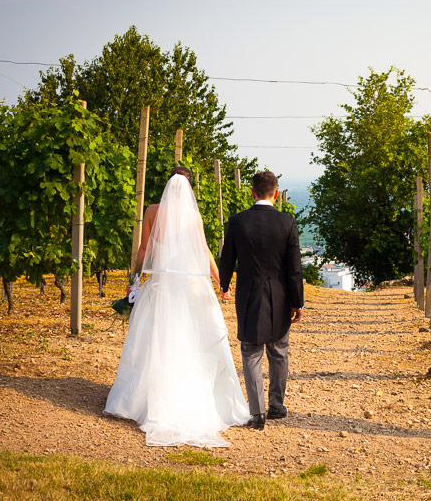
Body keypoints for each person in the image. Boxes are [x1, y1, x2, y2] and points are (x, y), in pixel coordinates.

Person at [104, 167, 251, 446]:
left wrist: (134, 280)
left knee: (153, 343)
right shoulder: (193, 215)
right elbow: (205, 251)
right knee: (195, 341)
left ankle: (144, 399)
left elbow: (144, 251)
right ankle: (195, 396)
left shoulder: (151, 212)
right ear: (190, 189)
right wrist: (221, 282)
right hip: (191, 288)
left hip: (160, 287)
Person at [218, 170, 303, 430]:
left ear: (252, 193)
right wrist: (297, 302)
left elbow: (227, 259)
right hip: (280, 295)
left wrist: (224, 286)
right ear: (276, 194)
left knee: (251, 351)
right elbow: (294, 268)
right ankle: (276, 405)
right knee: (279, 352)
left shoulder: (236, 221)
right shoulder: (287, 223)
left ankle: (257, 414)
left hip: (249, 294)